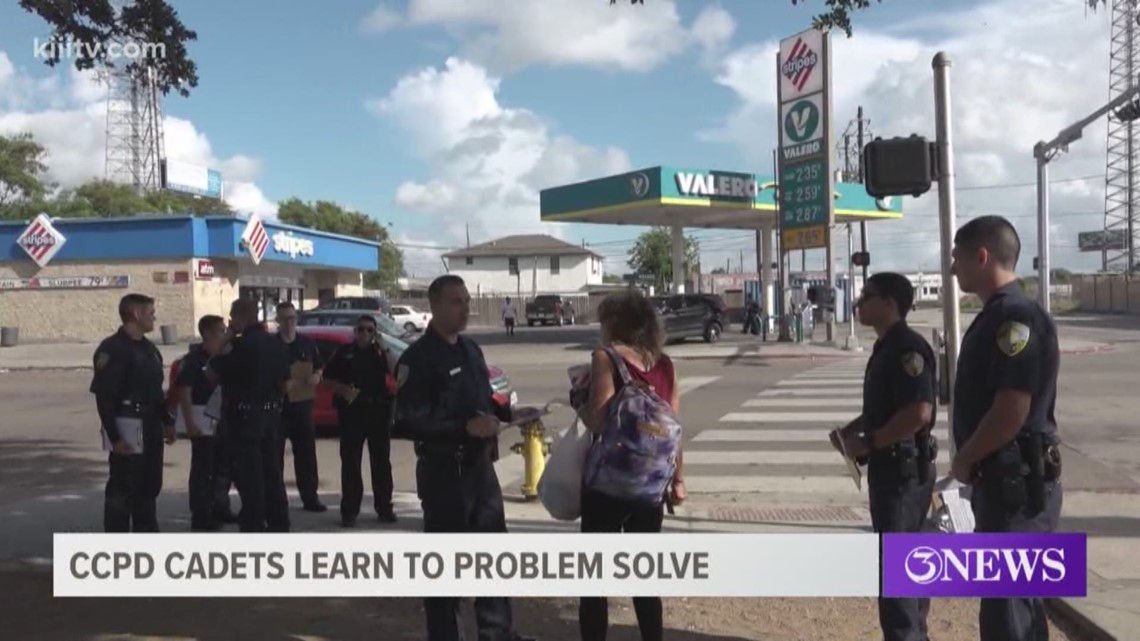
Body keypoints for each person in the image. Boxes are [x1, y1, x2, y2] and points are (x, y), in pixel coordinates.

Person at [392, 274, 537, 641]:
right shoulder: (417, 358)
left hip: (479, 470)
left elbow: (482, 404)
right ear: (434, 306)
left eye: (467, 301)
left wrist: (509, 416)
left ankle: (496, 632)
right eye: (456, 302)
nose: (465, 309)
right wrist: (464, 428)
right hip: (443, 472)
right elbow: (407, 420)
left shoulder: (471, 350)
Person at [949, 215, 1062, 641]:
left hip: (1017, 493)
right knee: (1017, 609)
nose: (952, 267)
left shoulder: (1014, 318)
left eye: (957, 257)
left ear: (982, 256)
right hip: (1005, 488)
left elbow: (1011, 408)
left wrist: (965, 457)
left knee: (1009, 619)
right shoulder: (999, 316)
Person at [832, 272, 937, 641]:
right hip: (892, 470)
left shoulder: (906, 348)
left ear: (890, 303)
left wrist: (872, 441)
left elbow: (918, 412)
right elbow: (891, 407)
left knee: (898, 574)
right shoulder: (886, 346)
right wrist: (853, 430)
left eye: (867, 295)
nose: (859, 302)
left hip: (903, 474)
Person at [576, 289, 685, 641]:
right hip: (650, 489)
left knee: (594, 580)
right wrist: (678, 480)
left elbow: (597, 418)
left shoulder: (605, 358)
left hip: (607, 485)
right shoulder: (665, 364)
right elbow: (674, 428)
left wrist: (578, 400)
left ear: (614, 324)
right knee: (645, 579)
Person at [90, 293, 175, 532]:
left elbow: (156, 392)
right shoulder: (112, 349)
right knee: (123, 489)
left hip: (150, 425)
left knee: (149, 488)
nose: (154, 317)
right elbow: (105, 398)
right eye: (150, 313)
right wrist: (115, 438)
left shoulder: (148, 349)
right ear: (136, 315)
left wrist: (167, 421)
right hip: (127, 425)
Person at [207, 298, 292, 533]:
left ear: (241, 318)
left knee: (249, 477)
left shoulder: (239, 346)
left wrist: (226, 338)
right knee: (272, 474)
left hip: (244, 419)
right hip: (271, 416)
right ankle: (279, 523)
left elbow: (211, 374)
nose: (232, 323)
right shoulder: (275, 344)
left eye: (234, 318)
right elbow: (285, 384)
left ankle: (254, 525)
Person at [322, 314, 398, 527]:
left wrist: (386, 348)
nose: (364, 334)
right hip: (352, 414)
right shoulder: (344, 353)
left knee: (381, 463)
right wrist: (341, 389)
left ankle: (384, 507)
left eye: (369, 330)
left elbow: (398, 373)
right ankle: (350, 511)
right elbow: (326, 379)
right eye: (361, 329)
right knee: (350, 463)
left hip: (378, 413)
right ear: (355, 332)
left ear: (375, 333)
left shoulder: (380, 353)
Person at [174, 315, 233, 530]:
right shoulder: (193, 360)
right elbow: (184, 391)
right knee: (203, 471)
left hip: (223, 420)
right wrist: (189, 423)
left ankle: (220, 507)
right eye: (220, 330)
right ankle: (201, 516)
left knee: (223, 469)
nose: (224, 334)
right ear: (207, 333)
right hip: (201, 421)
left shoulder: (224, 358)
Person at [274, 302, 327, 513]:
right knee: (274, 456)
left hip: (303, 407)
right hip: (278, 408)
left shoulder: (306, 343)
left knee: (306, 455)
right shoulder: (272, 345)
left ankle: (310, 498)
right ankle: (277, 500)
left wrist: (317, 376)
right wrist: (279, 384)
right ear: (277, 320)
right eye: (285, 318)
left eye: (293, 318)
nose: (289, 323)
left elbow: (319, 365)